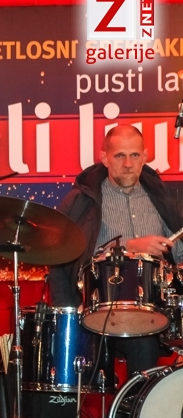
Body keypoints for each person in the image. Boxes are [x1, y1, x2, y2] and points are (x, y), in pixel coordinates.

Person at [49, 124, 183, 377]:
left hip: (151, 313)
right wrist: (129, 246)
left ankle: (145, 403)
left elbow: (178, 256)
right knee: (141, 344)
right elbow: (62, 259)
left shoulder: (162, 198)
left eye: (135, 155)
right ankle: (133, 402)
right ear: (104, 158)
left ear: (145, 156)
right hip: (94, 313)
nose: (128, 164)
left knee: (146, 341)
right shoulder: (81, 201)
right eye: (120, 155)